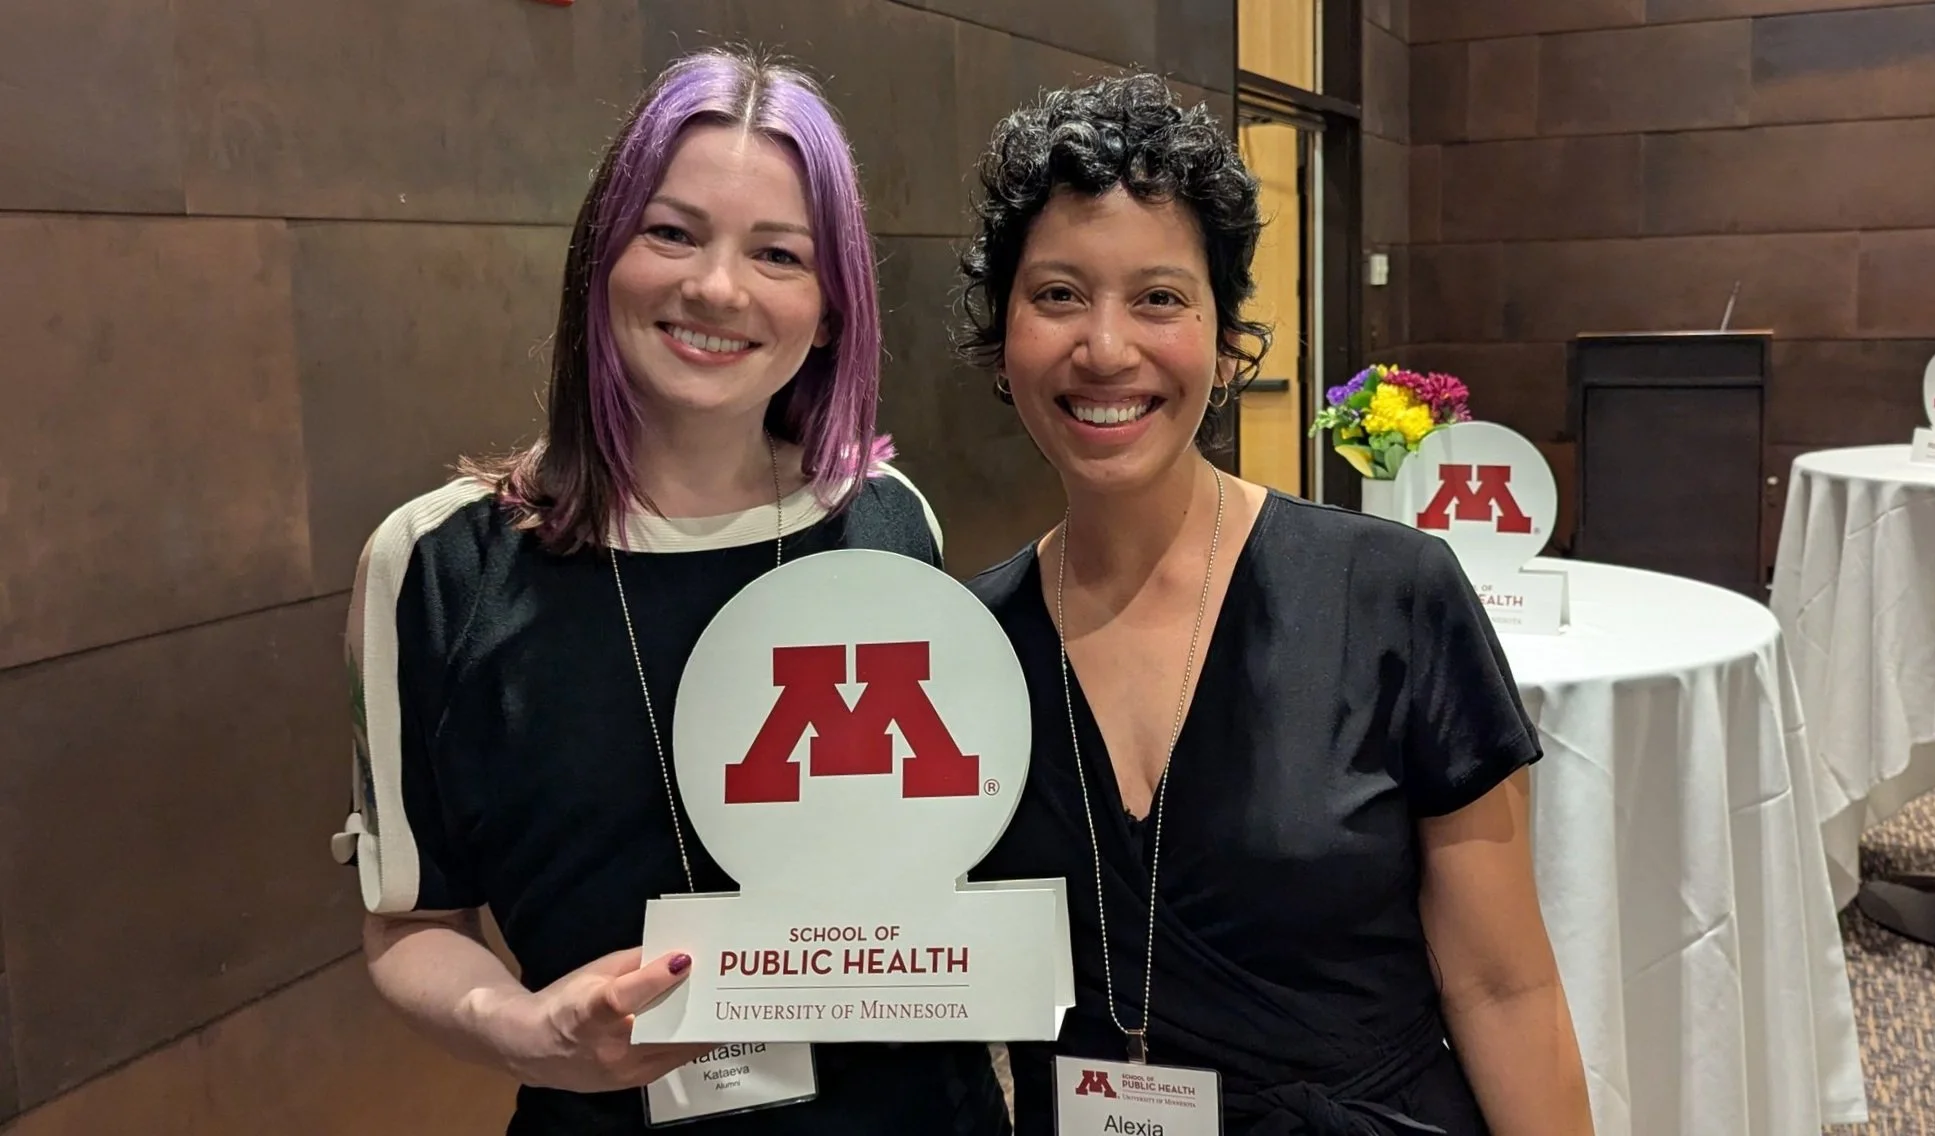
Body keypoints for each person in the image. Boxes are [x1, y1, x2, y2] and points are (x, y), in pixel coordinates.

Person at [329, 48, 1010, 1136]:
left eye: (777, 253)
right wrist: (528, 1025)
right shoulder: (436, 564)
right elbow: (409, 921)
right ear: (602, 256)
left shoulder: (889, 521)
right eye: (672, 232)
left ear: (830, 306)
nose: (715, 287)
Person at [960, 75, 1594, 1135]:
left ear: (1222, 342)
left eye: (1158, 297)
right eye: (1058, 294)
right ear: (1003, 337)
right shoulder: (965, 651)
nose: (1105, 347)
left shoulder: (1390, 596)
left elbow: (1502, 987)